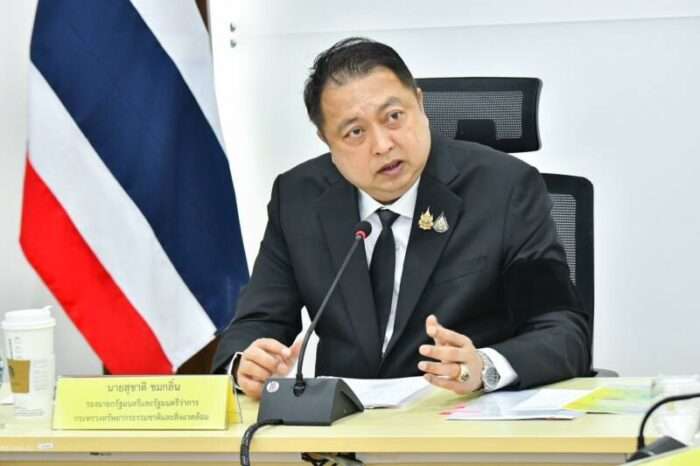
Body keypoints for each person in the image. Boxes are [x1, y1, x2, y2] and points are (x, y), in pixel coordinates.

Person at [213, 37, 591, 400]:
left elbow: (563, 332)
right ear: (327, 141)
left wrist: (484, 368)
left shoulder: (504, 190)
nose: (383, 145)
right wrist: (246, 365)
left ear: (421, 105)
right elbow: (257, 323)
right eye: (355, 132)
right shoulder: (298, 199)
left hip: (460, 423)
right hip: (345, 430)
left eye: (394, 117)